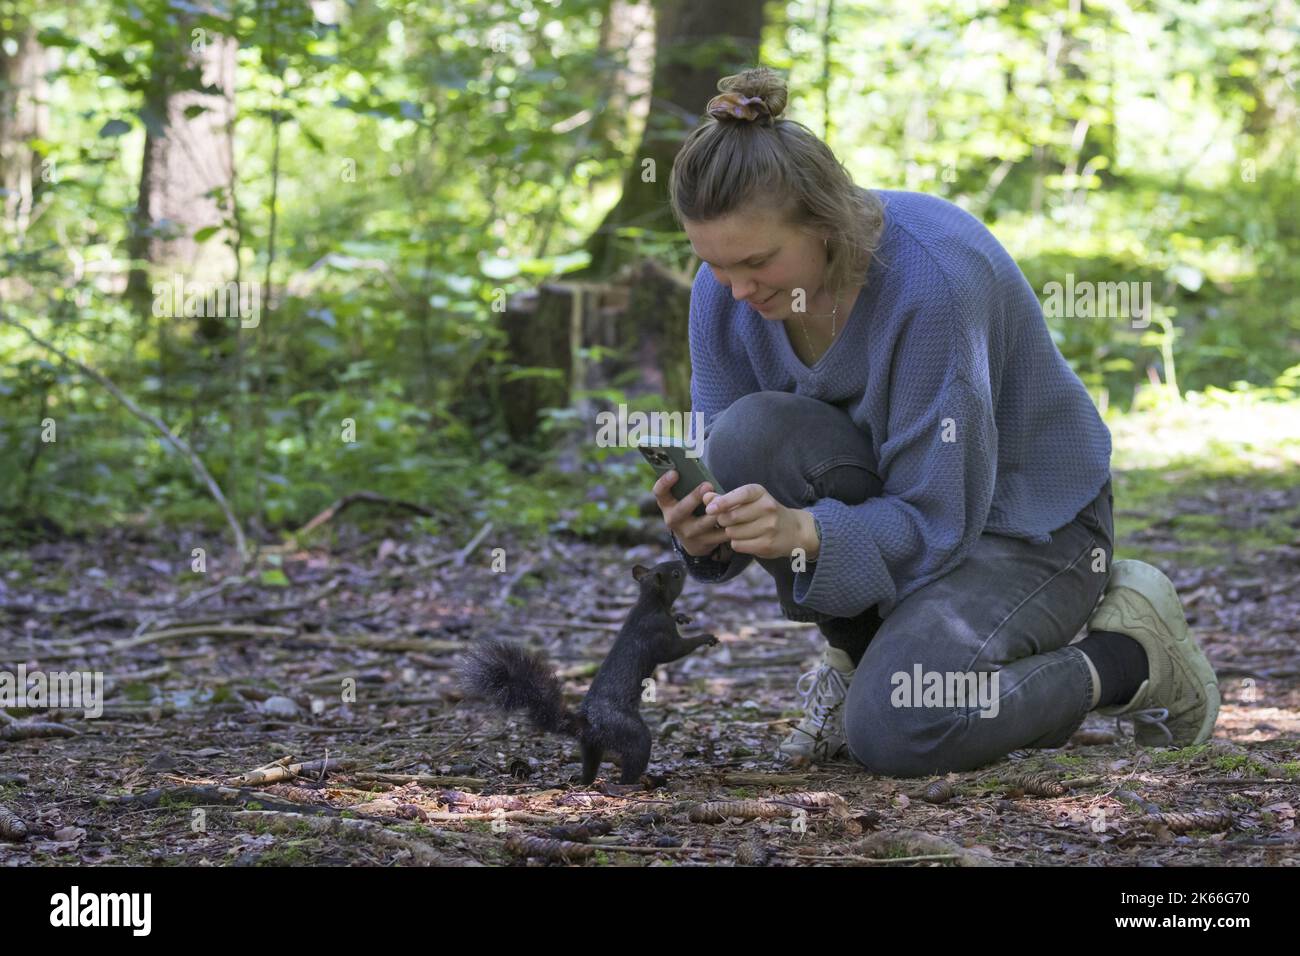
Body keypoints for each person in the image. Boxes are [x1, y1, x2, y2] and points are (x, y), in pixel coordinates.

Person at [651, 67, 1220, 775]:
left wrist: (806, 531)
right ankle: (863, 657)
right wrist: (707, 532)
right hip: (910, 520)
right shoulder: (725, 291)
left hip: (1025, 528)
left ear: (825, 221)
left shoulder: (933, 282)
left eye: (758, 262)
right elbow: (737, 464)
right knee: (744, 435)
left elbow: (936, 519)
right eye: (714, 264)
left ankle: (1129, 656)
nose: (737, 290)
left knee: (903, 728)